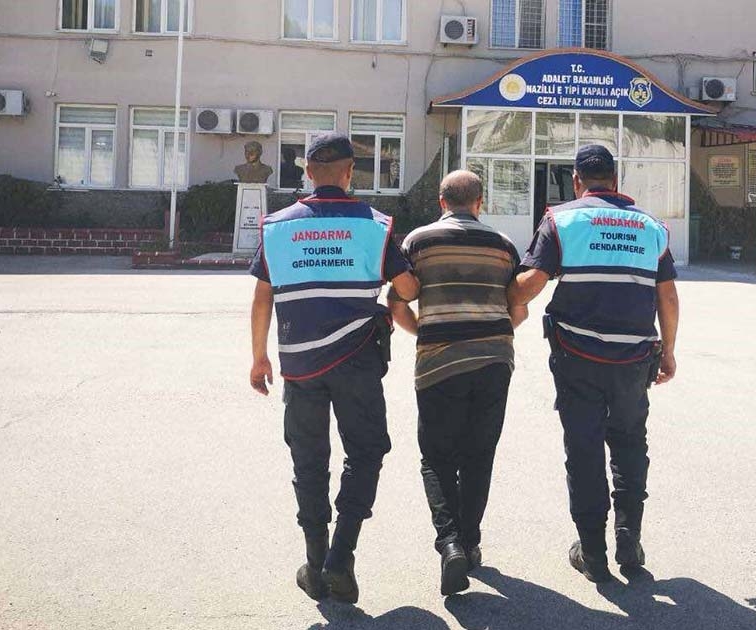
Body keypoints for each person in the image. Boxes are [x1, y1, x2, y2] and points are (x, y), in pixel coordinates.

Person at [249, 133, 419, 604]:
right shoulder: (374, 225)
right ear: (349, 173)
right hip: (358, 358)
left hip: (299, 362)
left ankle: (314, 561)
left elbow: (263, 296)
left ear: (308, 173)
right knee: (365, 452)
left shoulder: (278, 227)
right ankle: (341, 557)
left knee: (309, 461)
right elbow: (408, 286)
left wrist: (259, 356)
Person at [508, 145, 680, 583]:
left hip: (577, 357)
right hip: (634, 359)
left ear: (577, 181)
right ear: (616, 181)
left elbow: (529, 286)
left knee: (583, 449)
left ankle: (592, 552)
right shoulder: (651, 227)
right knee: (629, 445)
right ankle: (629, 540)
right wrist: (669, 351)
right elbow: (667, 296)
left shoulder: (561, 221)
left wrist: (501, 292)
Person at [387, 170, 528, 596]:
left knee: (437, 457)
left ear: (441, 201)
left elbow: (397, 305)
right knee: (479, 455)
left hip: (438, 364)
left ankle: (450, 543)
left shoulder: (418, 242)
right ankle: (470, 542)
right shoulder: (503, 246)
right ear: (480, 203)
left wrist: (426, 332)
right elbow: (518, 308)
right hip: (494, 362)